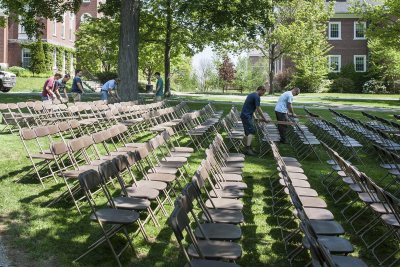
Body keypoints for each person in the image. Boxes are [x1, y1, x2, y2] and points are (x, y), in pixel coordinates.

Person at [240, 85, 270, 156]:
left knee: (248, 132)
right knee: (251, 131)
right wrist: (264, 118)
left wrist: (255, 117)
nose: (263, 94)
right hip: (246, 116)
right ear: (261, 90)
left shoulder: (251, 94)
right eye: (263, 93)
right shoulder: (257, 96)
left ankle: (248, 147)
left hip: (245, 115)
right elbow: (258, 108)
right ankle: (248, 149)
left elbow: (251, 107)